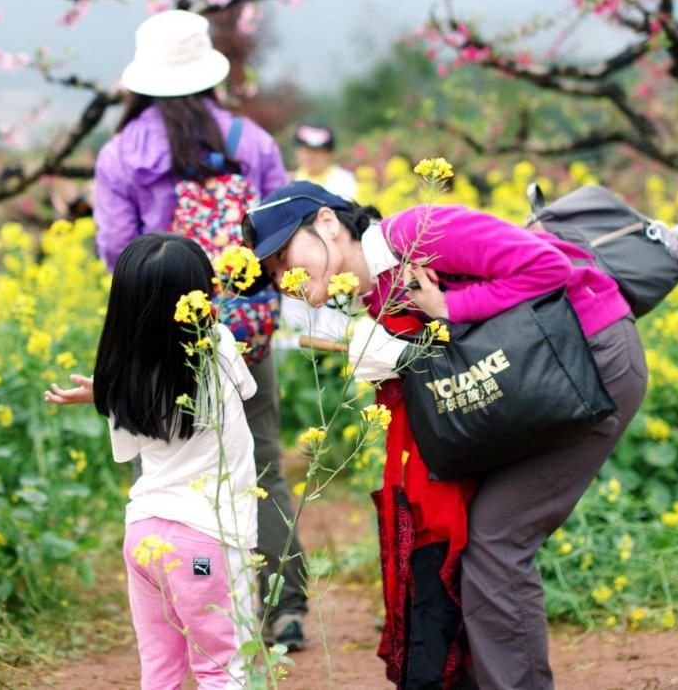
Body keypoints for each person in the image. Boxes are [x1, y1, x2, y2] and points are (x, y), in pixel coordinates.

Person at [241, 181, 648, 690]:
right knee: (477, 536)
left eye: (283, 255)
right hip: (539, 385)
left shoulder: (417, 234)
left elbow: (549, 269)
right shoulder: (376, 289)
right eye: (274, 272)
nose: (284, 276)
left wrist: (450, 310)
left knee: (497, 538)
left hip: (592, 363)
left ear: (327, 223)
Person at [92, 9, 311, 651]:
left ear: (144, 79)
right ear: (208, 72)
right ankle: (284, 608)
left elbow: (116, 253)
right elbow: (282, 231)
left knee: (159, 475)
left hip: (156, 340)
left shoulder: (122, 154)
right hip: (243, 331)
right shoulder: (252, 142)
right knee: (261, 463)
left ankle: (180, 614)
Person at [46, 233, 259, 689]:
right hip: (209, 539)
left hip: (144, 533)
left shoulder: (121, 379)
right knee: (223, 670)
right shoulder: (217, 345)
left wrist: (105, 393)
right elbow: (244, 390)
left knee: (160, 671)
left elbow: (133, 439)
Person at [291, 123, 358, 200]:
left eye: (316, 151)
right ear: (296, 152)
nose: (310, 156)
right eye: (306, 150)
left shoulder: (344, 181)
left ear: (330, 154)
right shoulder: (289, 181)